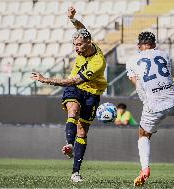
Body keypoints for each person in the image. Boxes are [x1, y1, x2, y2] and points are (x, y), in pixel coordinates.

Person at [31, 7, 107, 182]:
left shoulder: (97, 62)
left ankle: (75, 173)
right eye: (74, 45)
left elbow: (73, 81)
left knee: (82, 130)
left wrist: (46, 80)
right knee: (73, 109)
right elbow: (82, 29)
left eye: (79, 45)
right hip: (75, 90)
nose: (76, 48)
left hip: (91, 91)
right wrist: (73, 19)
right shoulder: (88, 42)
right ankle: (69, 144)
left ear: (89, 42)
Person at [126, 31, 174, 186]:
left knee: (143, 134)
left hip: (155, 104)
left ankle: (144, 169)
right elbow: (166, 75)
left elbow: (137, 84)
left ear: (138, 45)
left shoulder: (132, 60)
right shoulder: (165, 55)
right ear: (154, 44)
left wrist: (146, 100)